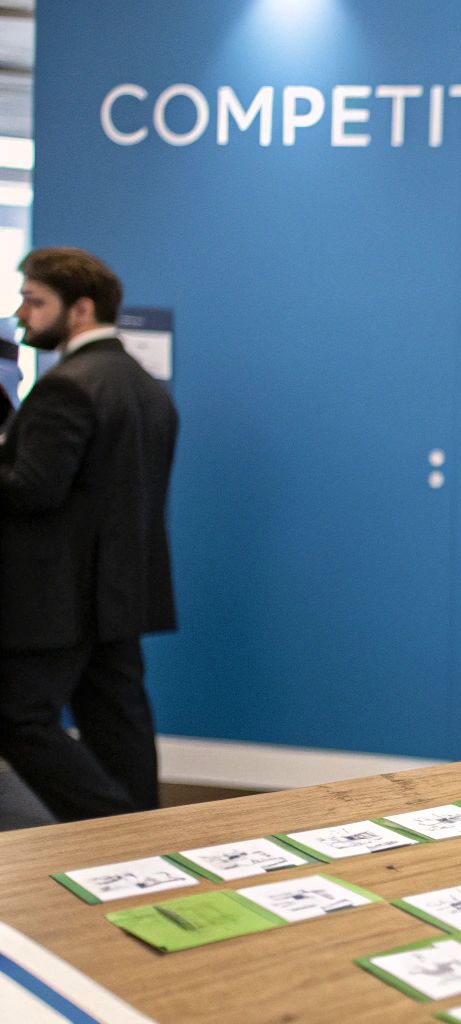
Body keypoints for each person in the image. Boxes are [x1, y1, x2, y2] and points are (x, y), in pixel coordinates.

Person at [0, 247, 178, 820]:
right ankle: (140, 836)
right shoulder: (147, 389)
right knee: (117, 717)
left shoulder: (67, 386)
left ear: (79, 309)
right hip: (118, 595)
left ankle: (103, 823)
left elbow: (33, 488)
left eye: (34, 300)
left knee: (17, 716)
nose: (22, 313)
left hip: (57, 598)